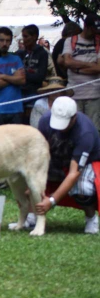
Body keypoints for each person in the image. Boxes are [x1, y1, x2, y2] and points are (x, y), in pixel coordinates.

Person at [36, 96, 100, 234]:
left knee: (83, 188)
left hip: (84, 163)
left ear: (74, 117)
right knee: (29, 178)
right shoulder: (45, 121)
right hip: (55, 156)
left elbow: (74, 172)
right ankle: (31, 215)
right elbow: (39, 152)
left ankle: (91, 218)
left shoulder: (85, 133)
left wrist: (52, 200)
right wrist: (34, 180)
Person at [61, 15, 100, 131]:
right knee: (74, 128)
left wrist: (77, 68)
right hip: (74, 93)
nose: (95, 32)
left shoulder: (98, 42)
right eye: (93, 29)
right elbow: (67, 61)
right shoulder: (71, 40)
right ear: (86, 27)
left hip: (94, 94)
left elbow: (99, 68)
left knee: (94, 129)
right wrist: (91, 64)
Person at [0, 27, 26, 125]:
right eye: (2, 40)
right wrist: (13, 77)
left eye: (7, 41)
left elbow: (22, 80)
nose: (4, 44)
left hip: (16, 109)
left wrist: (3, 76)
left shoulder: (16, 59)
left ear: (11, 42)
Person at [16, 24, 48, 121]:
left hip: (34, 93)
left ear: (34, 37)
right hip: (19, 93)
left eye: (26, 36)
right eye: (23, 36)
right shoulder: (19, 53)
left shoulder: (42, 53)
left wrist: (23, 75)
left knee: (31, 120)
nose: (23, 39)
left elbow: (40, 76)